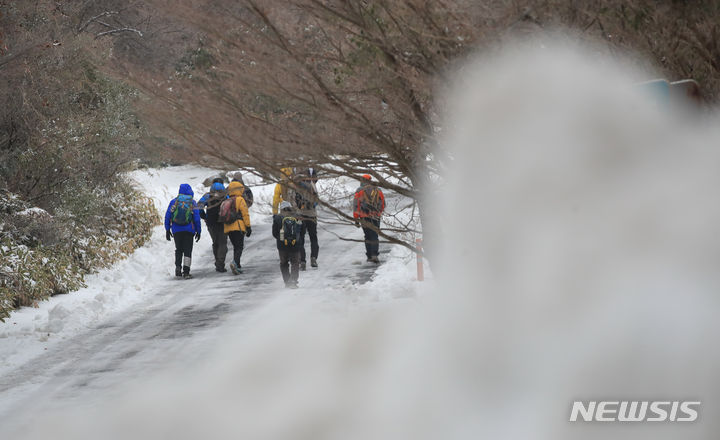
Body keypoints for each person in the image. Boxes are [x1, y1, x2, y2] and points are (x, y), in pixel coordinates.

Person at [164, 183, 202, 279]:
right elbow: (197, 219)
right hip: (189, 230)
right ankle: (186, 271)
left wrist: (167, 229)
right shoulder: (192, 203)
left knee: (179, 249)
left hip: (176, 230)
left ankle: (177, 267)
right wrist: (198, 231)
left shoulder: (174, 202)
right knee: (187, 251)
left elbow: (168, 215)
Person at [353, 174, 385, 263]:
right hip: (375, 216)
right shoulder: (378, 190)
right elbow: (382, 204)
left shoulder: (359, 191)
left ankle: (369, 256)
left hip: (364, 217)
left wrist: (356, 219)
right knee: (375, 235)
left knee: (367, 236)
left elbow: (356, 206)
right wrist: (378, 213)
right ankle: (375, 254)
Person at [198, 178, 229, 272]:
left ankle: (217, 261)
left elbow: (199, 206)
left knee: (215, 242)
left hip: (211, 223)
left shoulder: (207, 196)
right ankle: (220, 263)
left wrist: (204, 216)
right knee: (223, 243)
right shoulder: (225, 196)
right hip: (223, 222)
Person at [273, 200, 305, 288]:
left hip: (282, 245)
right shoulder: (297, 216)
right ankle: (294, 280)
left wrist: (281, 240)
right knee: (295, 262)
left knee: (284, 263)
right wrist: (298, 240)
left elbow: (274, 232)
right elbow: (303, 231)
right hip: (295, 244)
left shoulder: (277, 218)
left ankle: (287, 281)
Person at [223, 180, 252, 275]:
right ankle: (235, 263)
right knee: (239, 246)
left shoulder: (226, 200)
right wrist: (248, 226)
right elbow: (245, 214)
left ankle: (238, 265)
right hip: (238, 226)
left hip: (228, 228)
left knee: (236, 246)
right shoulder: (240, 199)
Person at [295, 168, 319, 269]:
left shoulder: (296, 187)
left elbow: (293, 201)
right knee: (313, 237)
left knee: (301, 238)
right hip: (312, 215)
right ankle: (313, 257)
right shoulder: (312, 186)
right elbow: (317, 201)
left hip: (300, 216)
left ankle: (302, 261)